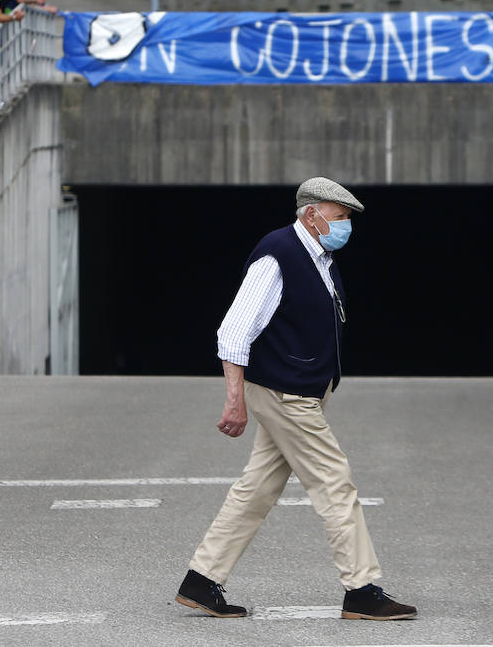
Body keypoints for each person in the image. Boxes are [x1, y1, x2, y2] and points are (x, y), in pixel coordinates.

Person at [178, 177, 417, 622]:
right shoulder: (278, 255)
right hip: (285, 395)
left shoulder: (319, 256)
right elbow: (233, 331)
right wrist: (234, 400)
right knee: (334, 482)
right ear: (311, 214)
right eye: (339, 217)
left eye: (347, 218)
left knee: (258, 487)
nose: (346, 226)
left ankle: (201, 579)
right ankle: (361, 590)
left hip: (301, 390)